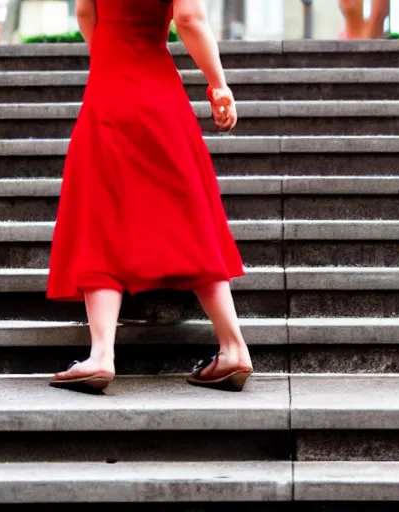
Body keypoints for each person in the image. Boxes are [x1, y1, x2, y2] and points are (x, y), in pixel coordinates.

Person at [47, 0, 253, 393]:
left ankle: (102, 354)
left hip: (109, 88)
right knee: (189, 211)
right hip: (159, 91)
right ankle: (232, 345)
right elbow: (189, 18)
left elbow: (85, 14)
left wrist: (109, 56)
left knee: (100, 210)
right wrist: (218, 84)